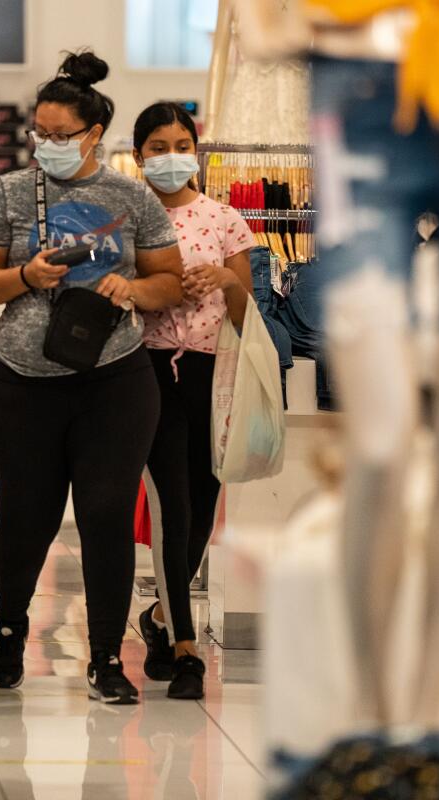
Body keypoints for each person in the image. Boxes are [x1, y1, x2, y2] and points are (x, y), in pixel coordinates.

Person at [0, 50, 183, 706]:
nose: (48, 146)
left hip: (114, 381)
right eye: (40, 134)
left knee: (107, 515)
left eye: (62, 136)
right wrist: (26, 276)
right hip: (19, 383)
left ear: (94, 135)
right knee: (25, 516)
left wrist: (133, 289)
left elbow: (167, 280)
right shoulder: (5, 193)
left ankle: (107, 656)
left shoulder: (132, 196)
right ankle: (9, 625)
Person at [132, 102, 254, 701]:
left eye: (181, 143)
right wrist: (154, 288)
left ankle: (157, 618)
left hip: (212, 374)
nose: (171, 155)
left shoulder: (227, 219)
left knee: (203, 507)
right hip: (148, 370)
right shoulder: (126, 220)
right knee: (172, 508)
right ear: (138, 156)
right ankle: (186, 647)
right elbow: (114, 296)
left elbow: (245, 315)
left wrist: (227, 279)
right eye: (158, 146)